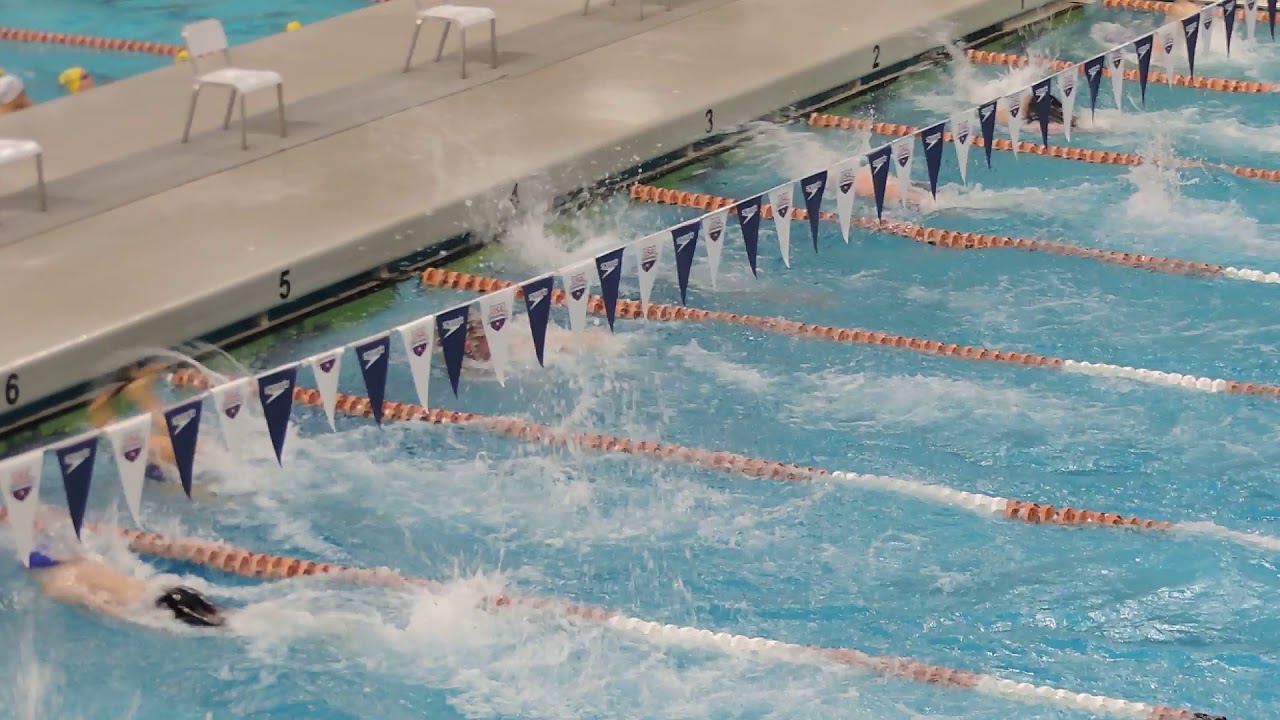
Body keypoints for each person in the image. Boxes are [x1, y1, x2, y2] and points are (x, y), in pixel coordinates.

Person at [87, 361, 215, 498]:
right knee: (189, 449)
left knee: (184, 448)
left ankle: (135, 396)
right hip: (190, 474)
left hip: (178, 474)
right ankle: (138, 394)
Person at [27, 547, 226, 628]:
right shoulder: (81, 561)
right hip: (164, 590)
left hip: (150, 606)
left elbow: (94, 602)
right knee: (224, 618)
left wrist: (122, 616)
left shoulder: (56, 583)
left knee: (211, 628)